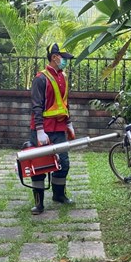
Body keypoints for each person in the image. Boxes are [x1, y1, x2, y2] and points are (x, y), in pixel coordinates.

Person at [28, 43, 76, 215]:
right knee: (39, 166)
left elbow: (64, 104)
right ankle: (39, 203)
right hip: (43, 129)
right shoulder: (41, 78)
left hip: (59, 128)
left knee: (63, 163)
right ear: (55, 57)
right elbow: (36, 106)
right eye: (63, 58)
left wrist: (69, 123)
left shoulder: (63, 77)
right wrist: (40, 130)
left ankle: (59, 195)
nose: (65, 61)